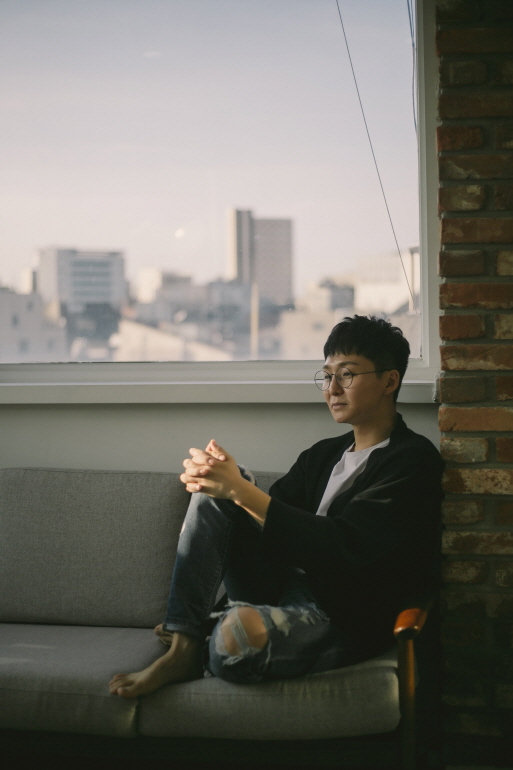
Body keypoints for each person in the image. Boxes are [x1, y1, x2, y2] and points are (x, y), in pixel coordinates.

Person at [109, 315, 443, 698]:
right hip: (276, 589)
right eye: (327, 376)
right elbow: (269, 531)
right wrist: (228, 485)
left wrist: (241, 490)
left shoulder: (412, 461)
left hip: (339, 615)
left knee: (236, 639)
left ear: (390, 381)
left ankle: (209, 631)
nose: (332, 389)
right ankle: (184, 646)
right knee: (215, 489)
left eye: (347, 375)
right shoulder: (321, 456)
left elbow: (344, 547)